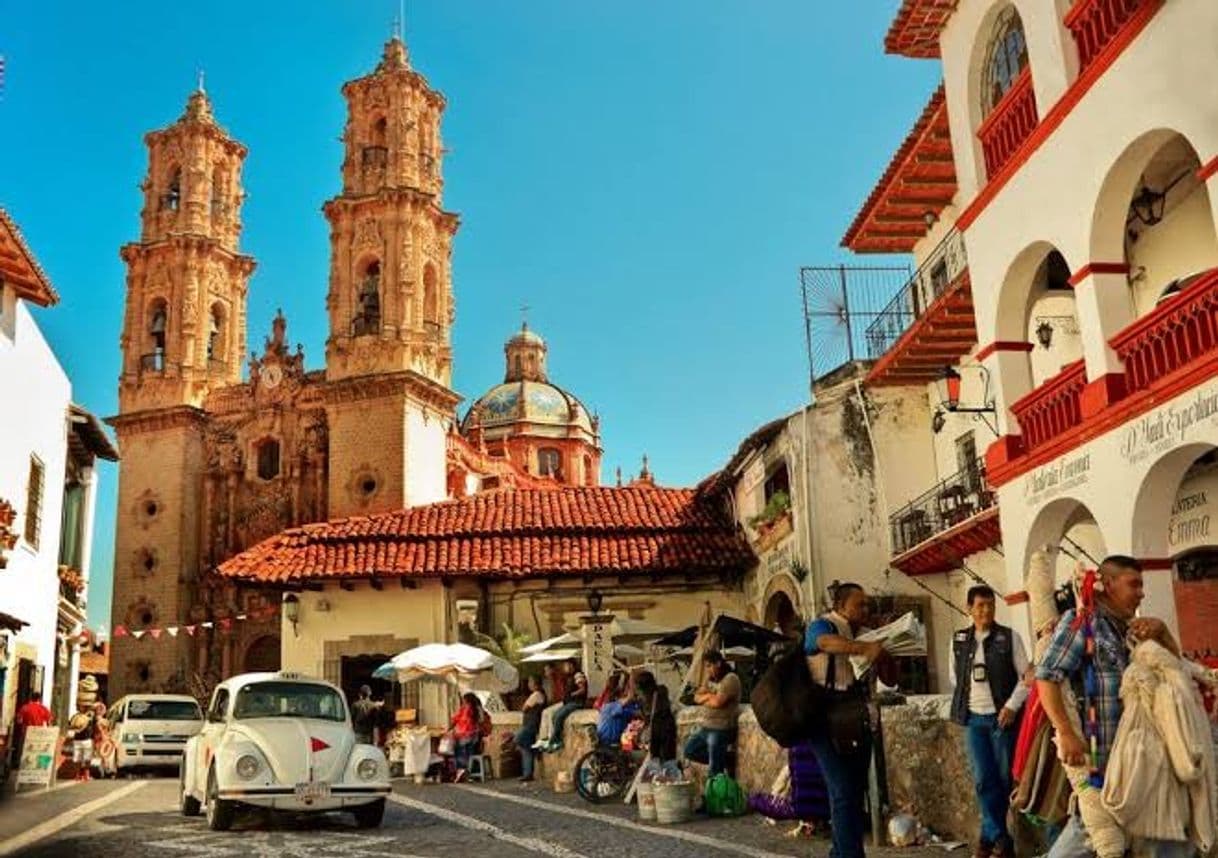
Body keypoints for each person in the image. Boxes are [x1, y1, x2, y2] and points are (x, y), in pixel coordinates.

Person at [1036, 556, 1186, 858]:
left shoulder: (1133, 633)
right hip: (1099, 769)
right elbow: (1047, 676)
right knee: (1091, 836)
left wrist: (1164, 634)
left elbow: (1177, 675)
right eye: (1134, 584)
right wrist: (1065, 732)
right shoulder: (1082, 624)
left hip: (1141, 770)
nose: (1141, 592)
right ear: (1107, 585)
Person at [804, 582, 886, 858]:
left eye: (866, 604)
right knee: (841, 789)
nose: (865, 609)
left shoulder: (868, 633)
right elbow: (821, 644)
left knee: (853, 791)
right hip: (825, 718)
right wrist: (862, 648)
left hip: (858, 719)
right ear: (841, 606)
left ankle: (841, 852)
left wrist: (884, 652)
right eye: (859, 604)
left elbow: (891, 678)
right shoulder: (823, 625)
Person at [950, 585, 1031, 858]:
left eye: (990, 605)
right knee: (984, 779)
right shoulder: (958, 640)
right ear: (969, 608)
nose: (986, 611)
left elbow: (1027, 677)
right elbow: (956, 678)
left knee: (1004, 780)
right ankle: (1001, 839)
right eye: (980, 606)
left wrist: (1011, 705)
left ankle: (987, 838)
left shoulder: (1009, 638)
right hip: (973, 719)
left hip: (1002, 719)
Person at [681, 649, 741, 777]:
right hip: (705, 727)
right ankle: (726, 759)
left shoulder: (730, 679)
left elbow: (717, 703)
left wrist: (707, 697)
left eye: (709, 666)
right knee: (689, 751)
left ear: (718, 663)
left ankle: (714, 793)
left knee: (714, 770)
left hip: (721, 729)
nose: (707, 670)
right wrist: (709, 696)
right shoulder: (711, 680)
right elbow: (696, 697)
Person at [544, 661, 588, 752]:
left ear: (571, 665)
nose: (565, 667)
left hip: (577, 702)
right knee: (555, 715)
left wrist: (571, 695)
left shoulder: (578, 675)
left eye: (566, 665)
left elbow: (582, 690)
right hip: (569, 702)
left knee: (559, 716)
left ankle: (554, 741)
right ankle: (558, 739)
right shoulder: (569, 677)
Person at [634, 671, 677, 763]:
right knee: (668, 756)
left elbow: (646, 719)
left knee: (656, 757)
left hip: (656, 728)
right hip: (668, 726)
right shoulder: (662, 690)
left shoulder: (644, 701)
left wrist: (640, 733)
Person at [449, 692, 488, 781]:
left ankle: (461, 770)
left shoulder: (464, 709)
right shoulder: (479, 709)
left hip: (463, 735)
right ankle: (469, 772)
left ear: (466, 700)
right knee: (470, 753)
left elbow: (455, 719)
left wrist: (449, 729)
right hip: (474, 737)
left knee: (459, 752)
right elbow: (481, 721)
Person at [515, 676, 547, 783]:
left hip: (531, 724)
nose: (529, 684)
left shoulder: (536, 695)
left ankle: (535, 750)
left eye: (530, 681)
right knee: (526, 749)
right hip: (530, 723)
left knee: (518, 739)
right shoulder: (537, 694)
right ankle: (528, 773)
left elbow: (525, 708)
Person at [596, 675, 640, 747]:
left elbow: (637, 713)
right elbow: (628, 699)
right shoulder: (609, 707)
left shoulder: (624, 709)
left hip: (617, 743)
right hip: (607, 744)